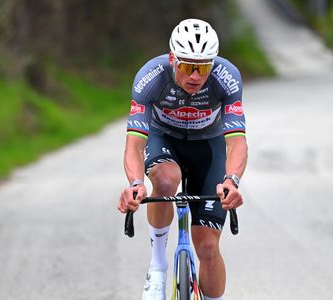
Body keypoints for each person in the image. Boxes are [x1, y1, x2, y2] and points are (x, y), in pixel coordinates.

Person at [118, 18, 248, 300]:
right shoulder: (150, 77)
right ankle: (158, 266)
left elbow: (237, 141)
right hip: (164, 140)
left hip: (208, 147)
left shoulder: (227, 77)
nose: (195, 76)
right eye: (188, 66)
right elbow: (135, 144)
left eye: (203, 67)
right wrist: (136, 183)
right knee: (166, 180)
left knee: (208, 249)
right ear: (172, 59)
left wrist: (232, 180)